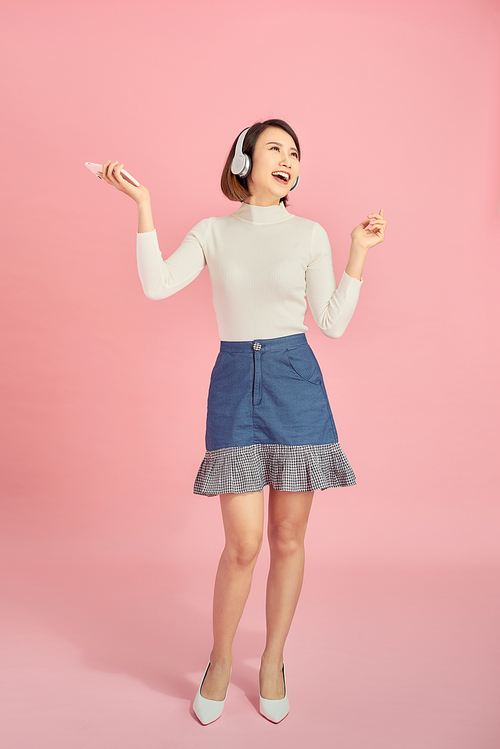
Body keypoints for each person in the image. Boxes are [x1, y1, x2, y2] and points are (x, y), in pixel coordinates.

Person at [98, 119, 386, 725]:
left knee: (288, 538)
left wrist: (358, 252)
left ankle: (274, 658)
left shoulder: (309, 234)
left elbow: (331, 323)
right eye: (276, 149)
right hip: (234, 381)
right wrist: (144, 205)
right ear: (244, 160)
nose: (289, 159)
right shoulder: (212, 232)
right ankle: (221, 660)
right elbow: (157, 285)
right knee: (242, 544)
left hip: (295, 380)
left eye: (296, 153)